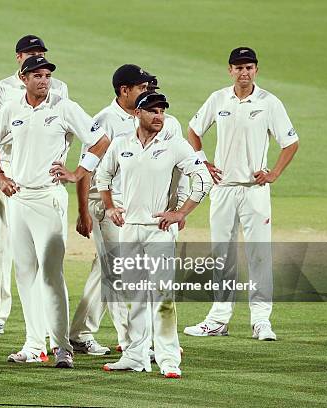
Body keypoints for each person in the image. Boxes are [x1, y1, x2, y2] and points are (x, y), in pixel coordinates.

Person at [0, 56, 110, 368]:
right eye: (37, 75)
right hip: (18, 199)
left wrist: (79, 172)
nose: (44, 80)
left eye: (47, 75)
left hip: (49, 200)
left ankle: (62, 346)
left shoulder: (64, 107)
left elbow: (100, 140)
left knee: (52, 275)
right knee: (25, 273)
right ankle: (33, 344)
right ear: (24, 78)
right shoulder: (11, 108)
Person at [184, 47, 299, 340]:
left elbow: (290, 142)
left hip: (254, 191)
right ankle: (219, 319)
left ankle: (261, 321)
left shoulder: (269, 102)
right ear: (230, 70)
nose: (243, 72)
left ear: (256, 70)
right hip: (222, 189)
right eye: (238, 67)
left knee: (259, 255)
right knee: (222, 255)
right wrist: (202, 161)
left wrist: (273, 173)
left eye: (248, 67)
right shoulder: (218, 99)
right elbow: (193, 130)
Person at [70, 64, 185, 356]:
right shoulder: (105, 120)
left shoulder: (155, 119)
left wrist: (176, 207)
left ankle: (85, 333)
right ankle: (131, 341)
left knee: (110, 269)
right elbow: (87, 170)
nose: (148, 93)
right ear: (124, 90)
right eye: (142, 88)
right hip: (108, 205)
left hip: (138, 209)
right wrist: (83, 211)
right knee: (117, 270)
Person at [96, 91, 212, 378]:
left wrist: (181, 213)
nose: (159, 116)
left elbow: (203, 179)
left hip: (160, 232)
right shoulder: (122, 144)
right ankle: (136, 355)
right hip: (129, 230)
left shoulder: (175, 145)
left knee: (162, 297)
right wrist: (110, 207)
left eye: (162, 112)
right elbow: (103, 175)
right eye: (153, 112)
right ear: (138, 114)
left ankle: (169, 359)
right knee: (133, 296)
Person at [0, 35, 68, 337]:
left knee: (46, 252)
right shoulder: (1, 90)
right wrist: (0, 173)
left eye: (42, 53)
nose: (39, 58)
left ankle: (46, 322)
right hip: (9, 176)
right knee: (1, 243)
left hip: (43, 182)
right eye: (32, 54)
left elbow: (63, 133)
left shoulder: (59, 89)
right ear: (19, 59)